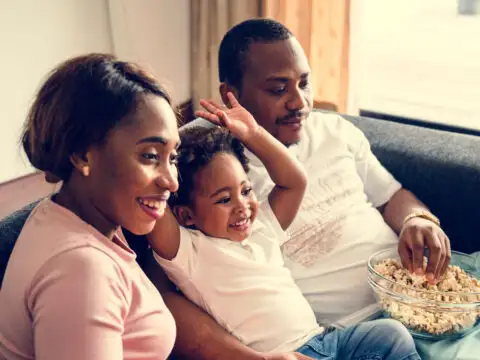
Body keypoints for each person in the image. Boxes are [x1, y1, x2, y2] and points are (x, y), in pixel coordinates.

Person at [141, 18, 452, 360]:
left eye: (304, 84)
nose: (299, 102)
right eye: (278, 89)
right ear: (232, 95)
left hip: (423, 300)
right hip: (325, 337)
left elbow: (391, 196)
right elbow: (161, 279)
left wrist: (418, 220)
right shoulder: (206, 173)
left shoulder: (332, 134)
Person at [147, 93, 420, 360]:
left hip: (324, 341)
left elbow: (295, 180)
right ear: (185, 216)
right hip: (282, 356)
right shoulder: (189, 252)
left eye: (246, 190)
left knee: (391, 334)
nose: (242, 205)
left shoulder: (262, 227)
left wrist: (253, 133)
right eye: (224, 199)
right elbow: (155, 205)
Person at [0, 54, 179, 360]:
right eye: (150, 156)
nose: (171, 182)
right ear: (82, 155)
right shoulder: (81, 268)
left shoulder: (64, 217)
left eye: (172, 158)